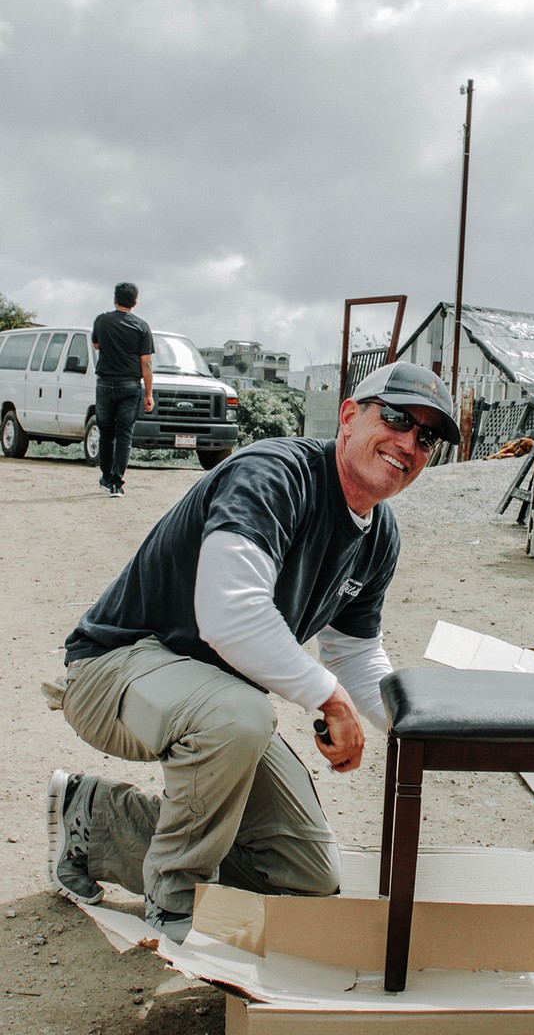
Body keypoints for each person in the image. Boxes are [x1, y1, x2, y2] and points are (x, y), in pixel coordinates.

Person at [45, 361, 460, 942]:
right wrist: (329, 699)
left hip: (216, 698)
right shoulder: (275, 474)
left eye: (428, 437)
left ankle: (93, 819)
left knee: (304, 875)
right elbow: (230, 613)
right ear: (348, 416)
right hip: (113, 670)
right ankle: (177, 902)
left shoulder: (379, 535)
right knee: (242, 717)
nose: (409, 442)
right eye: (395, 417)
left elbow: (355, 653)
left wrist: (414, 727)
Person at [91, 282, 155, 496]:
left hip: (104, 383)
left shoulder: (101, 320)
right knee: (124, 435)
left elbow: (96, 345)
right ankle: (116, 483)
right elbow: (146, 363)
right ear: (135, 302)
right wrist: (149, 394)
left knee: (106, 433)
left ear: (114, 299)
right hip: (130, 385)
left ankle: (105, 476)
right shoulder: (142, 327)